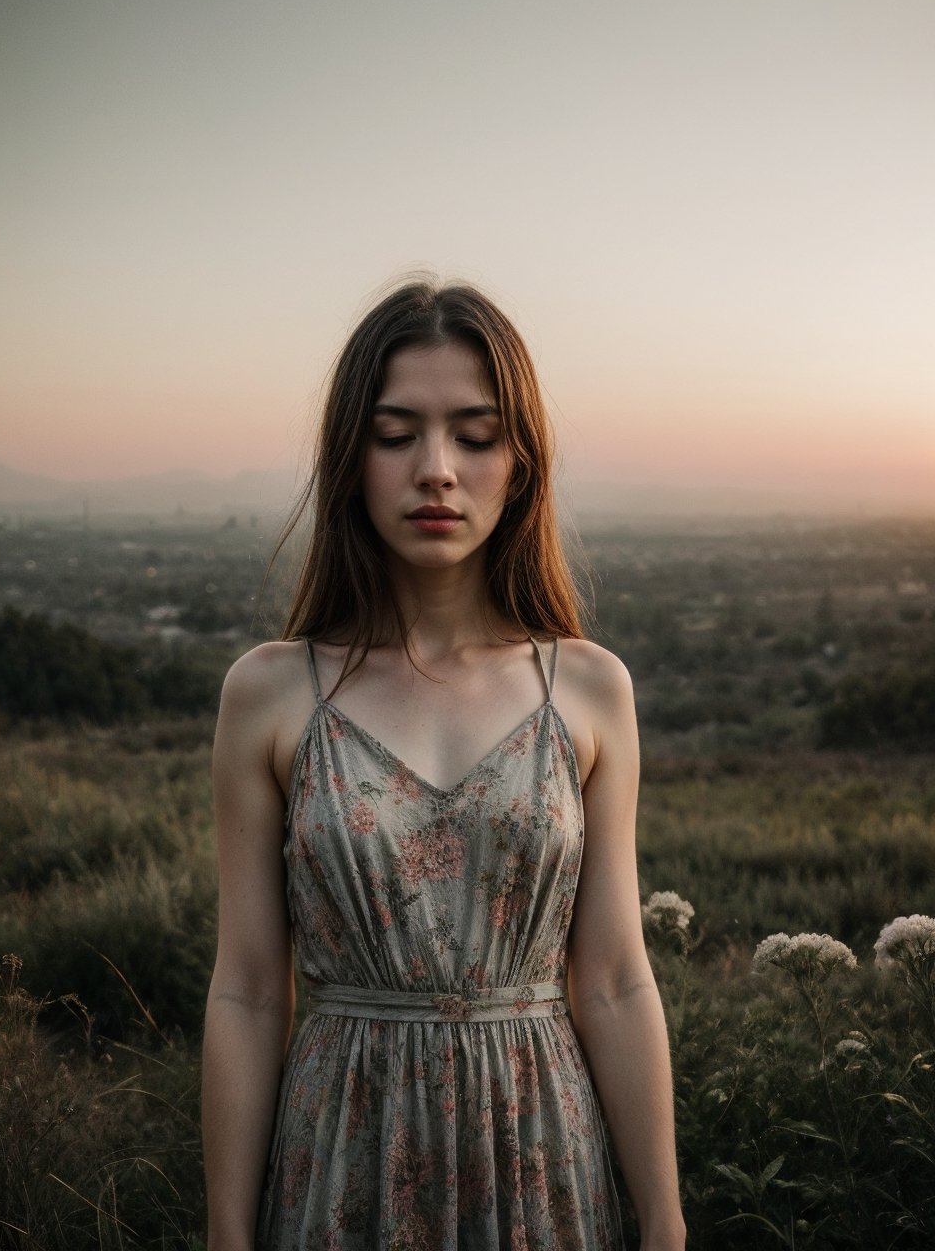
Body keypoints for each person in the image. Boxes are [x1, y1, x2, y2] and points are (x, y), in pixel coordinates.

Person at [201, 279, 686, 1251]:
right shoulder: (271, 692)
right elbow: (250, 990)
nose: (436, 470)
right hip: (341, 1151)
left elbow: (614, 980)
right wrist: (225, 1232)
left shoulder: (585, 690)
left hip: (540, 1150)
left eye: (474, 434)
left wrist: (666, 1224)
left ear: (522, 460)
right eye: (395, 433)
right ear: (351, 456)